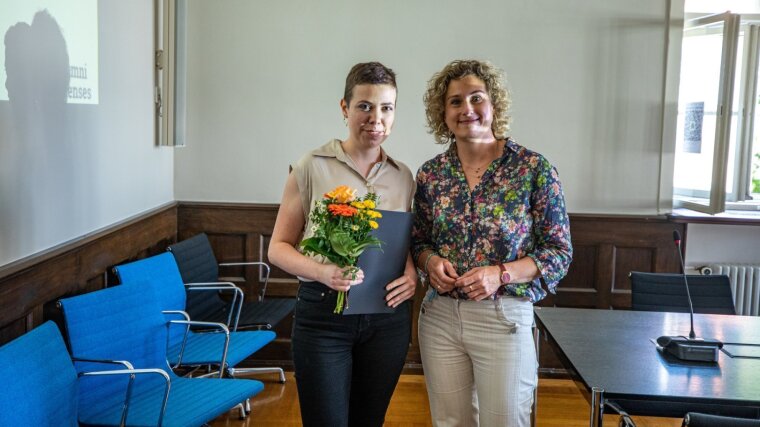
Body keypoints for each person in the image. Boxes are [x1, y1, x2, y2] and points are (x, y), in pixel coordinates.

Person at [412, 59, 573, 427]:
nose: (466, 109)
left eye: (476, 98)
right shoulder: (431, 174)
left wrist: (499, 274)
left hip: (505, 318)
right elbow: (419, 240)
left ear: (494, 105)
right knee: (450, 422)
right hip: (440, 319)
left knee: (505, 422)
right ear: (443, 113)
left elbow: (558, 252)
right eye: (455, 102)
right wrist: (430, 262)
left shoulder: (533, 168)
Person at [268, 62, 417, 427]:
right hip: (324, 318)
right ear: (344, 108)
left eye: (387, 108)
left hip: (387, 318)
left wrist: (412, 274)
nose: (376, 118)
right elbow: (278, 248)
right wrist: (324, 271)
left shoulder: (404, 177)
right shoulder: (311, 166)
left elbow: (405, 244)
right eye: (365, 106)